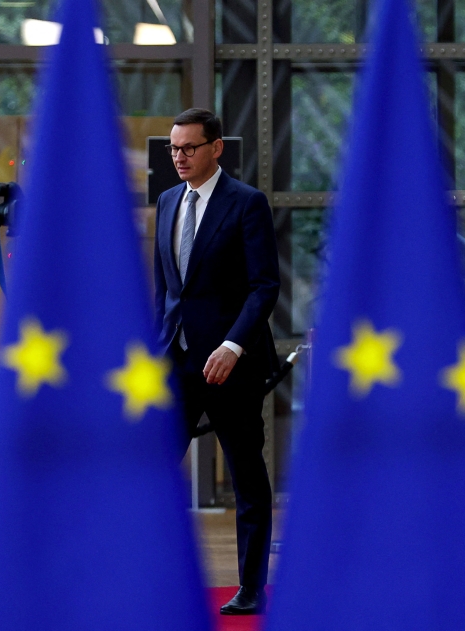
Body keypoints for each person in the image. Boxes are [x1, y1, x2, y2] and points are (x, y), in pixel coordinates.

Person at [153, 108, 279, 615]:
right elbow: (166, 290)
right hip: (176, 363)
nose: (179, 157)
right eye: (173, 149)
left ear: (216, 147)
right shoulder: (166, 202)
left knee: (246, 478)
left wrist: (232, 346)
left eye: (189, 148)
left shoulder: (247, 204)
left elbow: (264, 285)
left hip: (232, 364)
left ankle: (251, 589)